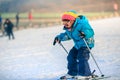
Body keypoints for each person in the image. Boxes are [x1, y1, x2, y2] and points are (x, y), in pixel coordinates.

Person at [53, 10, 95, 79]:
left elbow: (90, 31)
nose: (65, 24)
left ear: (72, 20)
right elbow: (67, 35)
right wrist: (59, 37)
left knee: (82, 56)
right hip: (78, 45)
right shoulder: (69, 28)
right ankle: (73, 73)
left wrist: (84, 33)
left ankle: (85, 74)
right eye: (63, 22)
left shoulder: (82, 24)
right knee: (71, 56)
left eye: (67, 21)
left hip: (86, 43)